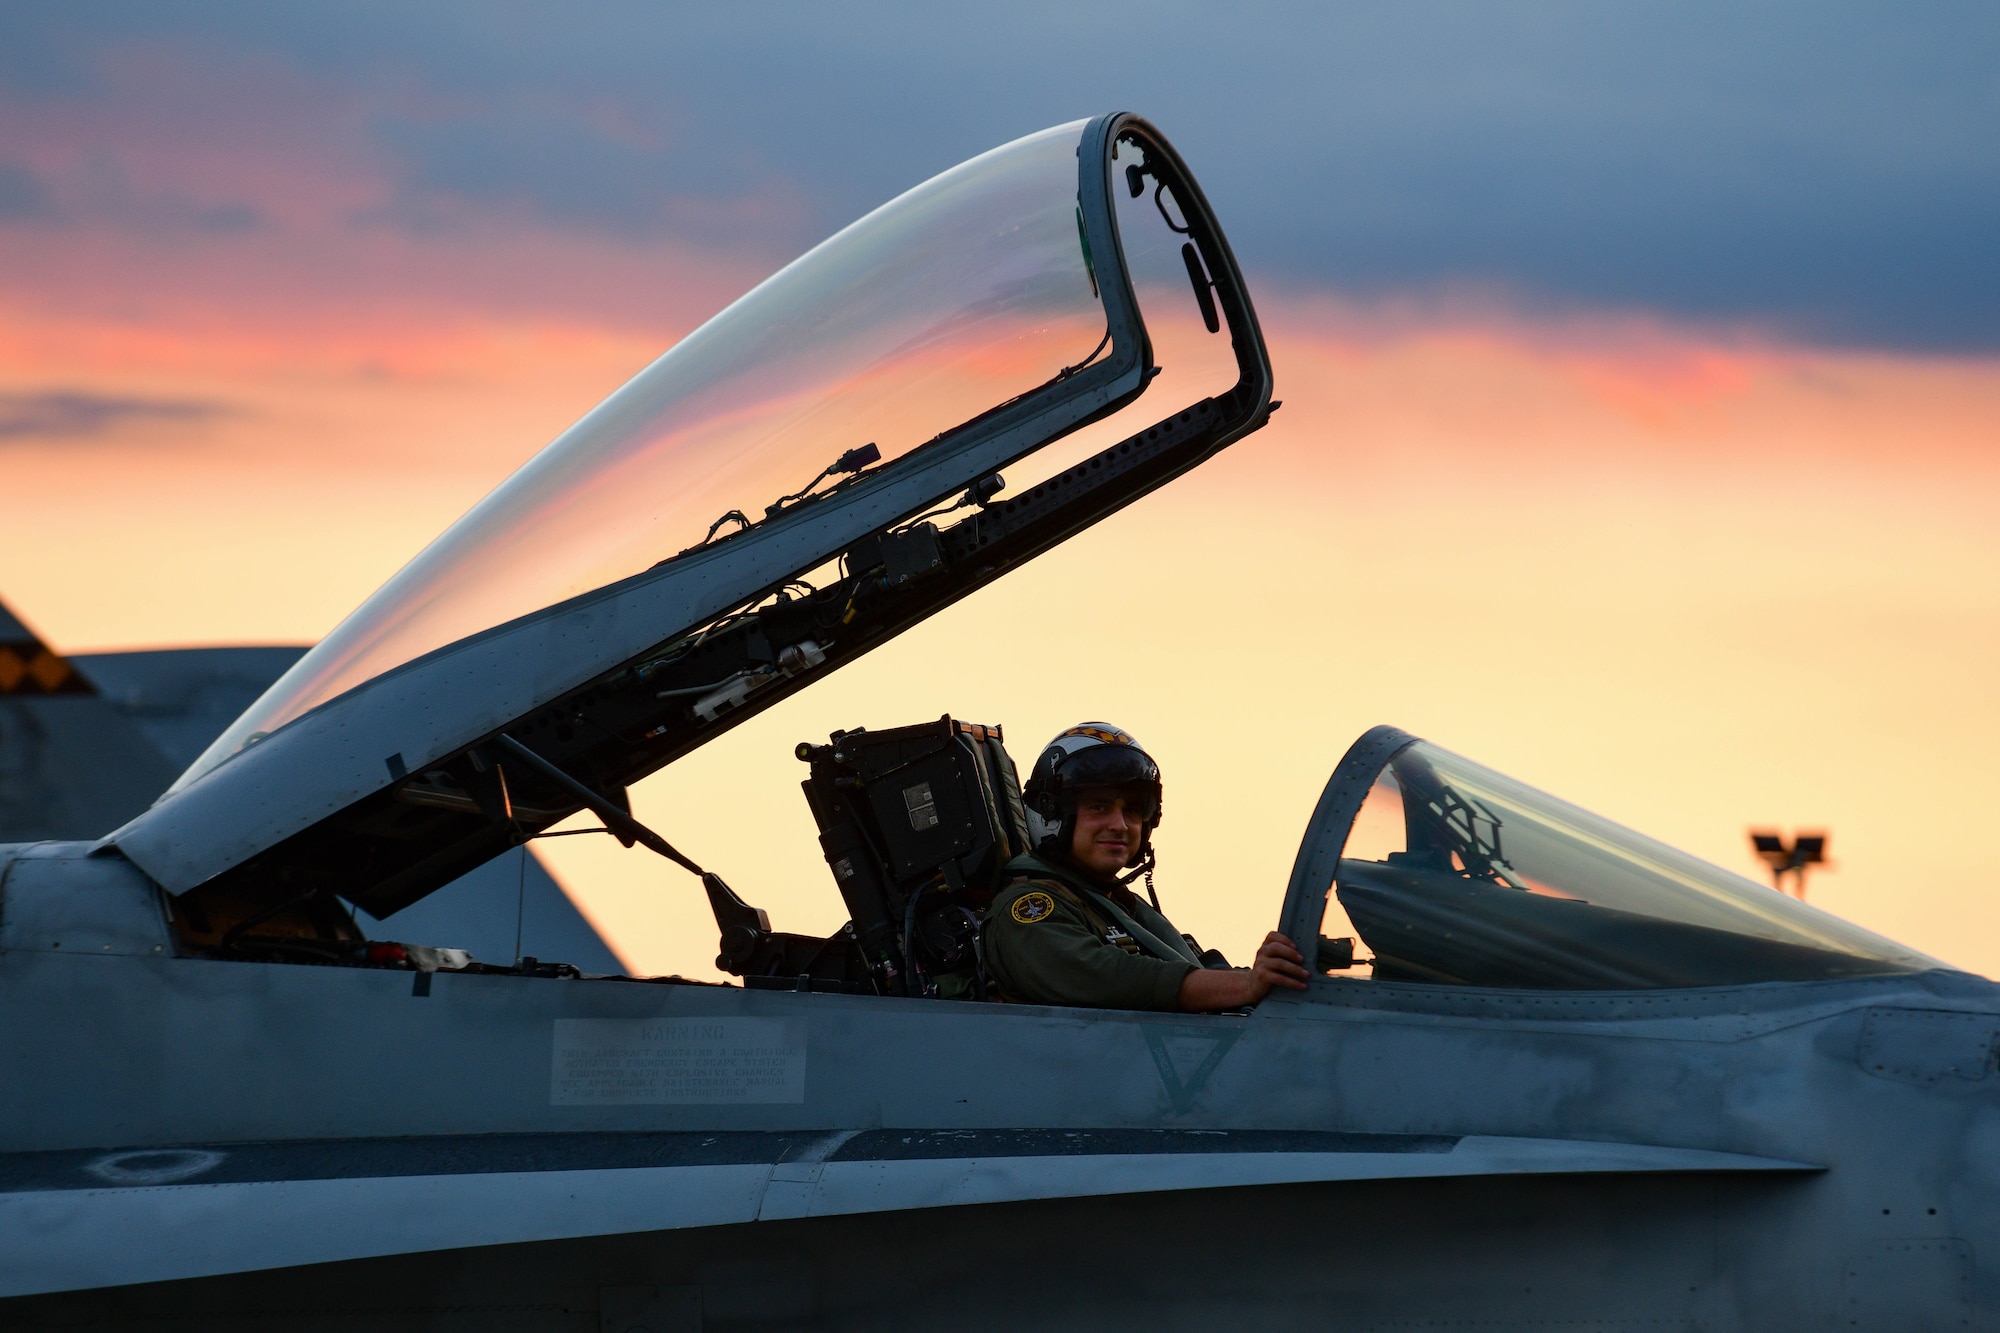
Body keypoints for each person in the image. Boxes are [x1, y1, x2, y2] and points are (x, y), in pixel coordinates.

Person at [982, 722, 1309, 1010]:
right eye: (1099, 807)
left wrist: (1275, 972)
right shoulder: (1027, 910)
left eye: (1134, 811)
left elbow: (1194, 970)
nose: (1121, 825)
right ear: (1052, 812)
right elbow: (1115, 979)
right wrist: (1247, 986)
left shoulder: (1115, 904)